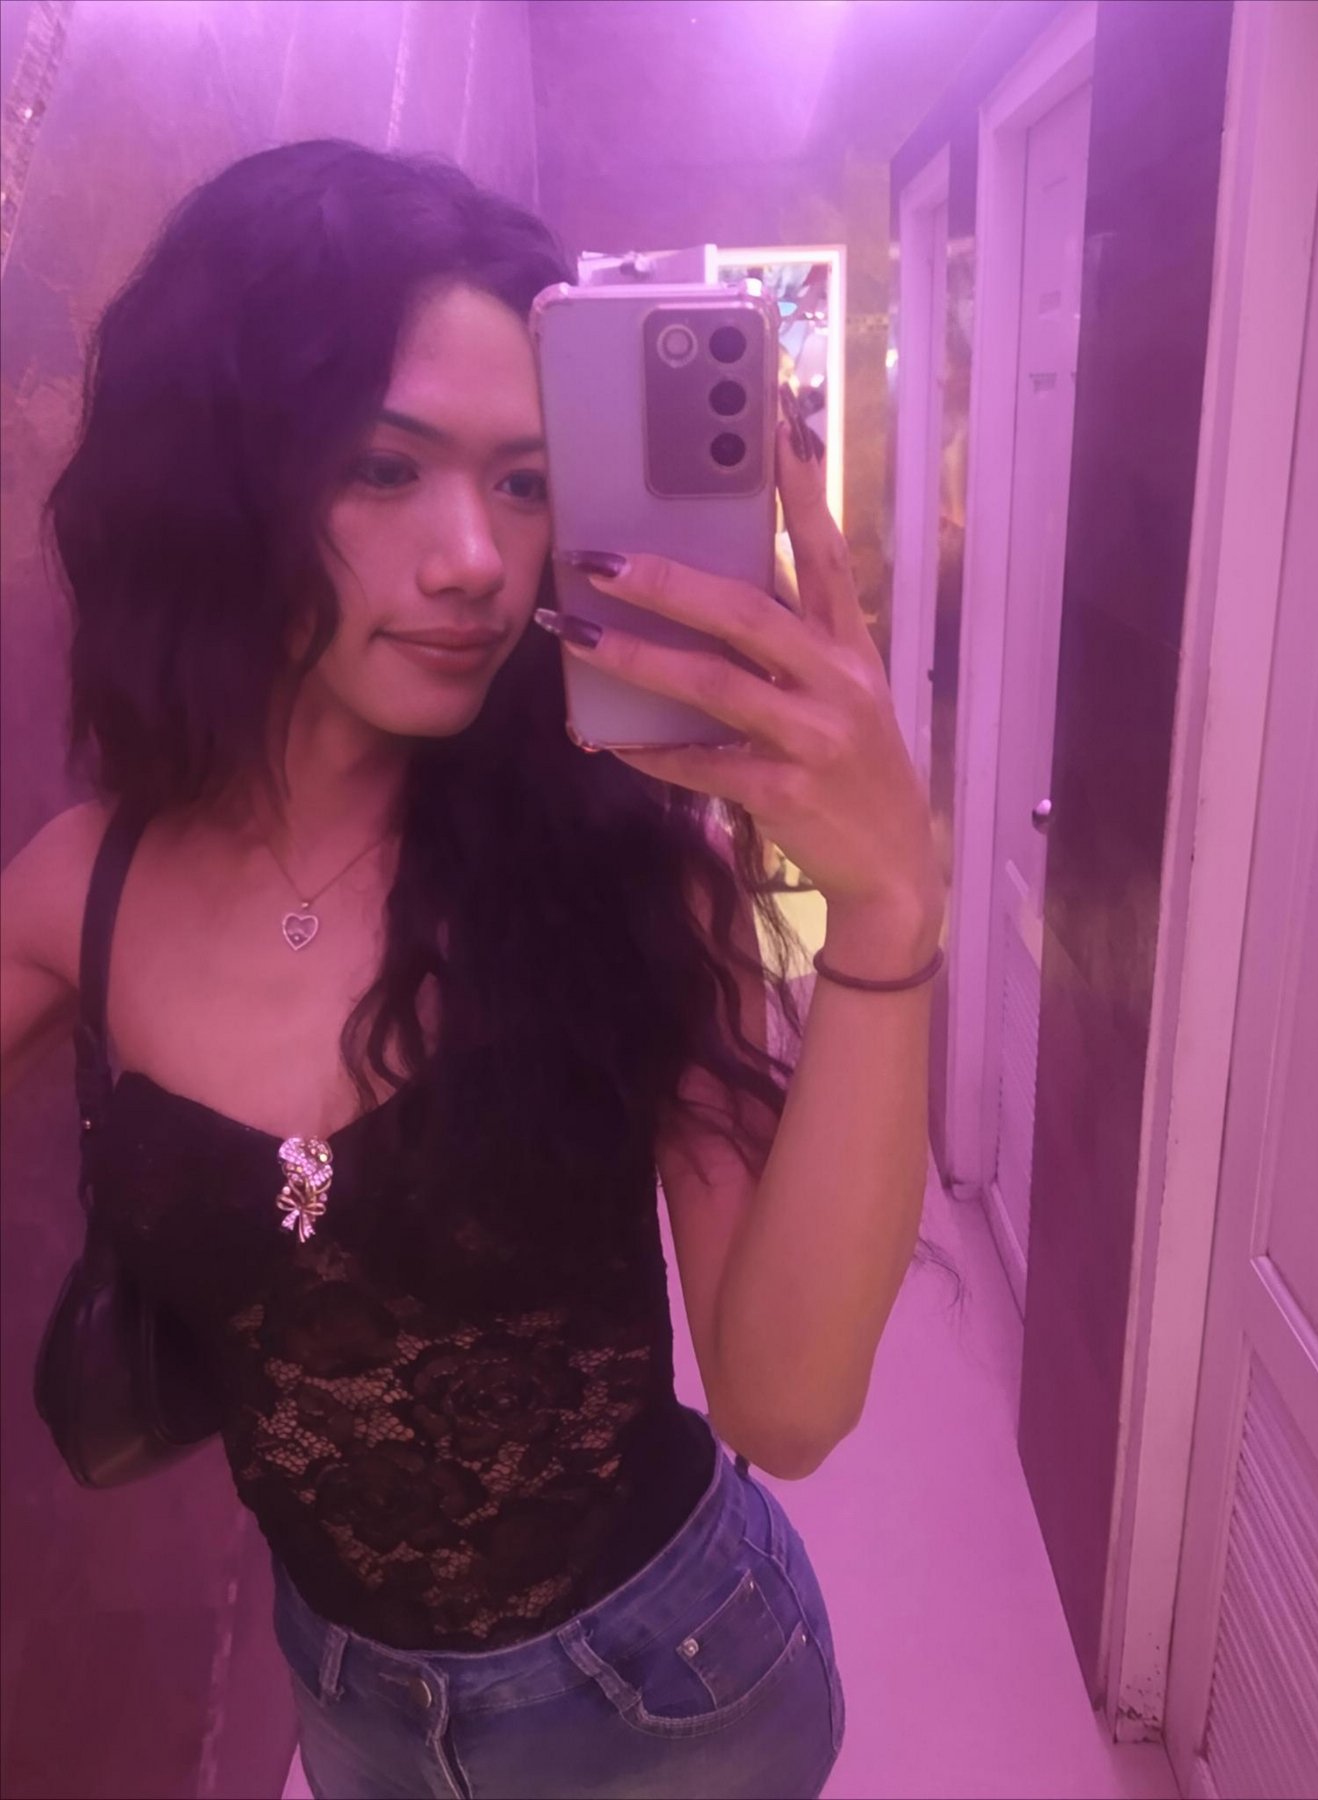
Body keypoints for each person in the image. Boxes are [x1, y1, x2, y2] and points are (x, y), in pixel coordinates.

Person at [0, 140, 946, 1799]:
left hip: (677, 1698)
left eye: (524, 483)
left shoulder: (626, 872)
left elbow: (786, 1407)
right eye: (385, 466)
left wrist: (887, 917)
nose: (474, 562)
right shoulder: (83, 892)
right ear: (221, 476)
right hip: (349, 1707)